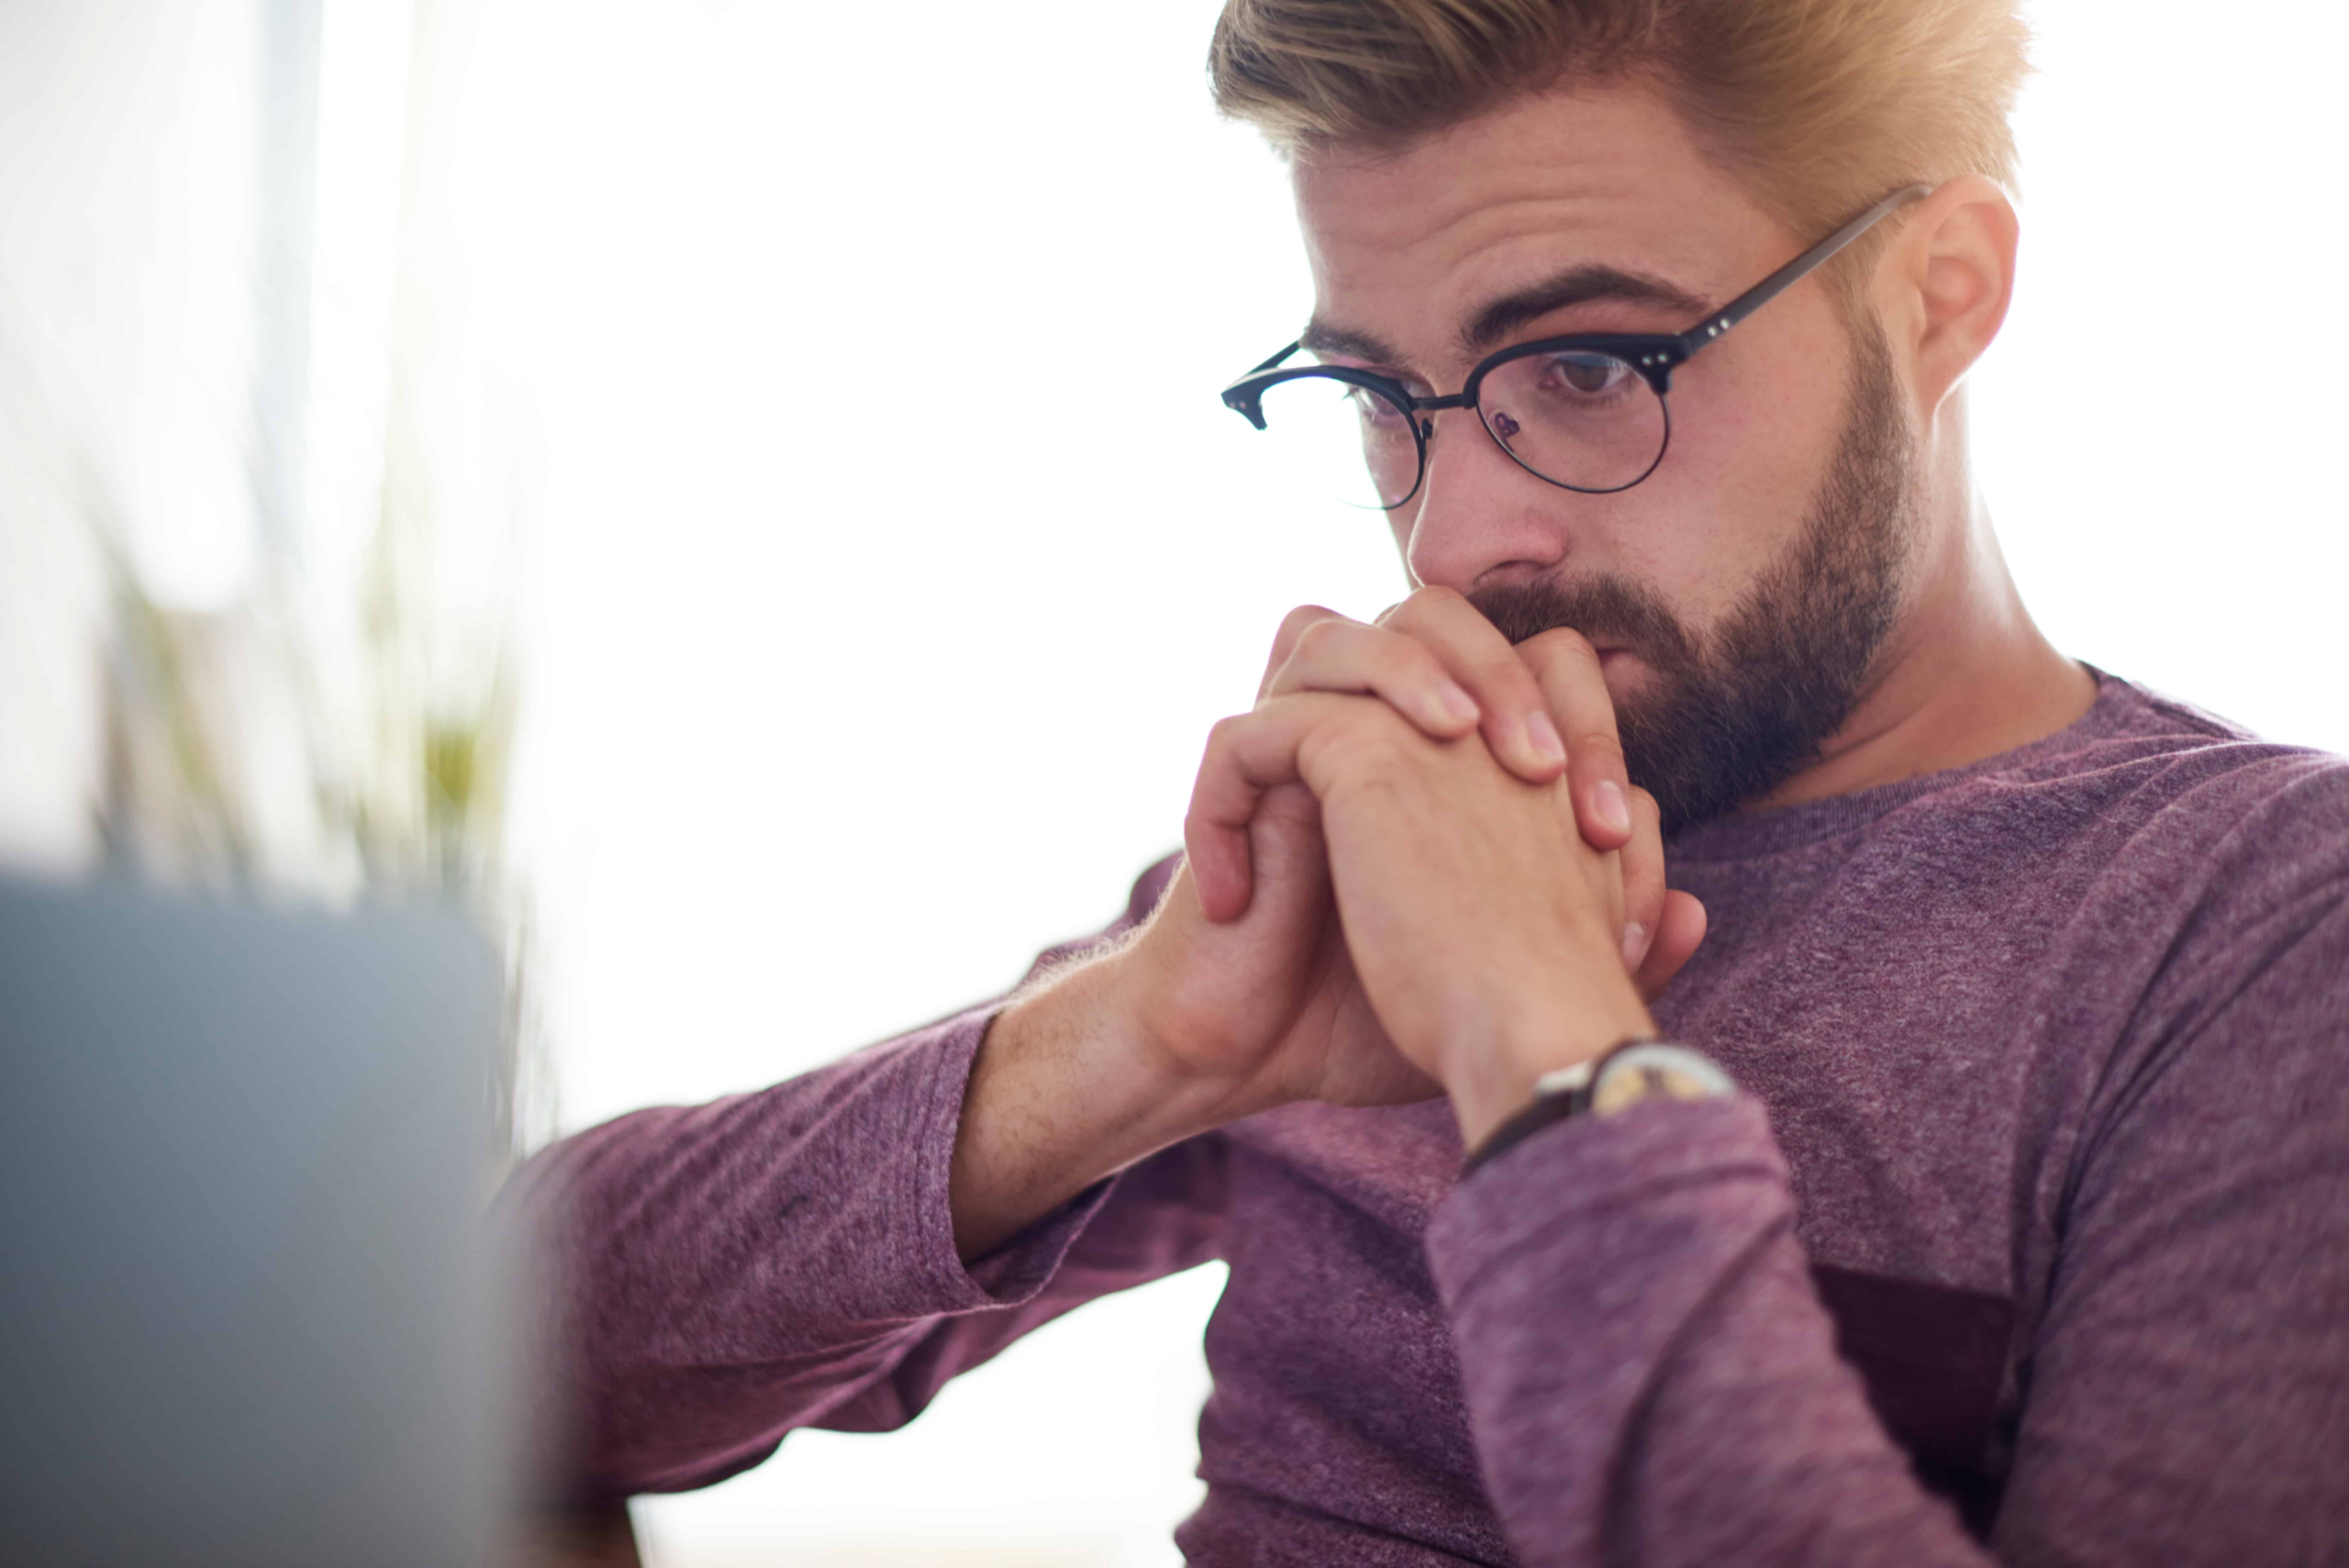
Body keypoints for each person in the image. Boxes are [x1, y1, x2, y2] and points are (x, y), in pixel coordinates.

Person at [504, 1, 2349, 1562]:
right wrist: (1141, 1040)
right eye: (1380, 395)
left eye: (1585, 364)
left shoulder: (2258, 923)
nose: (1457, 536)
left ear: (1937, 292)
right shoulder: (1422, 811)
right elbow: (475, 1341)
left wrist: (1539, 1048)